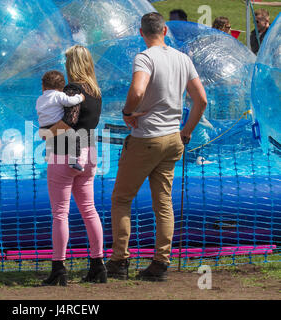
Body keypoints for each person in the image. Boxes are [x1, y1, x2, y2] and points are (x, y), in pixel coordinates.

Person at [105, 12, 207, 282]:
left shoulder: (145, 57)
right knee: (163, 203)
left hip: (146, 137)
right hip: (173, 138)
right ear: (164, 30)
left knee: (122, 199)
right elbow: (202, 100)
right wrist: (186, 132)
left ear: (141, 33)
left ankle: (119, 260)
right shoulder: (183, 59)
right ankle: (161, 261)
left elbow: (138, 91)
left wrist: (128, 112)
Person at [40, 45, 105, 286]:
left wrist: (44, 132)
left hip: (65, 153)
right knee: (89, 210)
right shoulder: (96, 91)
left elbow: (68, 123)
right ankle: (98, 265)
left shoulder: (72, 90)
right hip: (90, 153)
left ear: (72, 64)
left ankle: (59, 268)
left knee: (60, 213)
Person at [36, 70, 85, 171]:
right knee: (74, 137)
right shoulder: (58, 95)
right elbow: (69, 102)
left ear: (43, 86)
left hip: (43, 127)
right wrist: (80, 97)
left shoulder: (40, 99)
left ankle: (48, 155)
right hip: (56, 126)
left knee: (50, 139)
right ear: (62, 87)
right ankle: (73, 161)